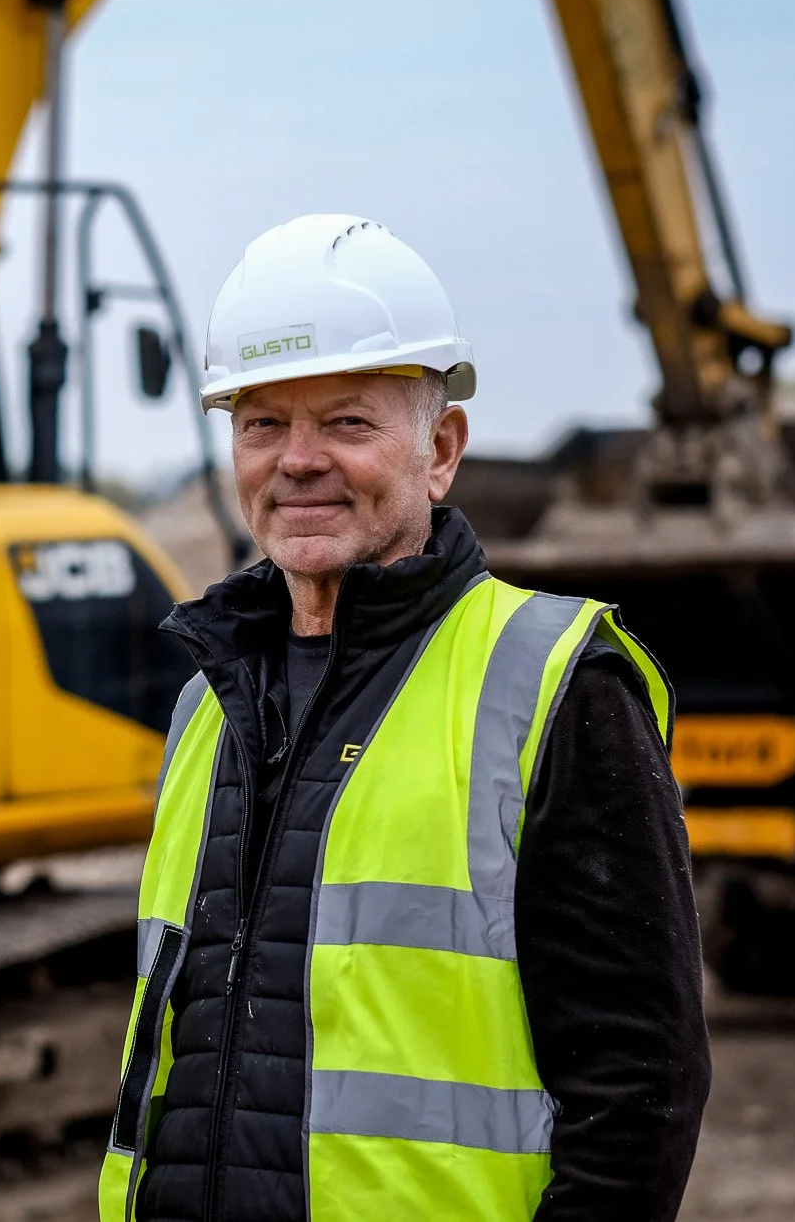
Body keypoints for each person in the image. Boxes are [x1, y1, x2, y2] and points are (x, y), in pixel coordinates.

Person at [99, 215, 708, 1221]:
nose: (296, 461)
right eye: (260, 424)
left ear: (439, 451)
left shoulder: (553, 688)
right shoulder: (206, 699)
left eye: (345, 422)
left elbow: (638, 1086)